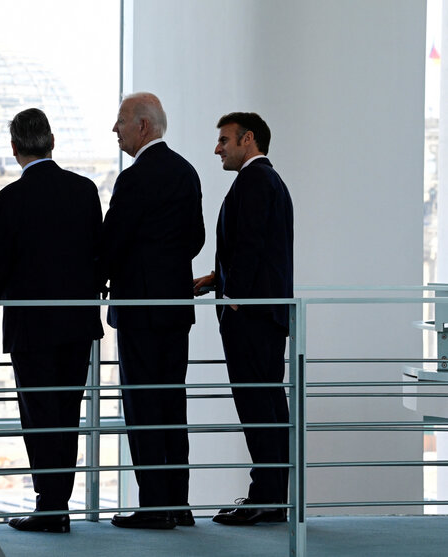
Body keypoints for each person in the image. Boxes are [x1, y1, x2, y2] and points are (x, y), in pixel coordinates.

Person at [0, 108, 103, 533]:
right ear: (52, 141)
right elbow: (99, 257)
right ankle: (59, 505)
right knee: (68, 413)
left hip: (30, 329)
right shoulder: (85, 191)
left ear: (14, 149)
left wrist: (11, 294)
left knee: (38, 416)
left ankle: (49, 506)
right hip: (78, 325)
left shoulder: (6, 201)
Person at [100, 93, 205, 530]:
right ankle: (178, 503)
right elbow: (196, 238)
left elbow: (111, 243)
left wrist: (102, 274)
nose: (115, 129)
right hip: (175, 307)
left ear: (143, 126)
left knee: (142, 406)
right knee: (171, 403)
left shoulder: (135, 177)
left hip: (139, 310)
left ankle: (153, 506)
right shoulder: (186, 171)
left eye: (121, 121)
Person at [194, 112, 293, 526]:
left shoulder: (254, 180)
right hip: (265, 313)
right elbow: (258, 247)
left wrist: (233, 298)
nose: (217, 148)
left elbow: (251, 244)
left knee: (257, 404)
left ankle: (265, 498)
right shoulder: (270, 181)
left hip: (251, 316)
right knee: (268, 402)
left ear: (247, 139)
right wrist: (217, 279)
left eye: (224, 140)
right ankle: (271, 497)